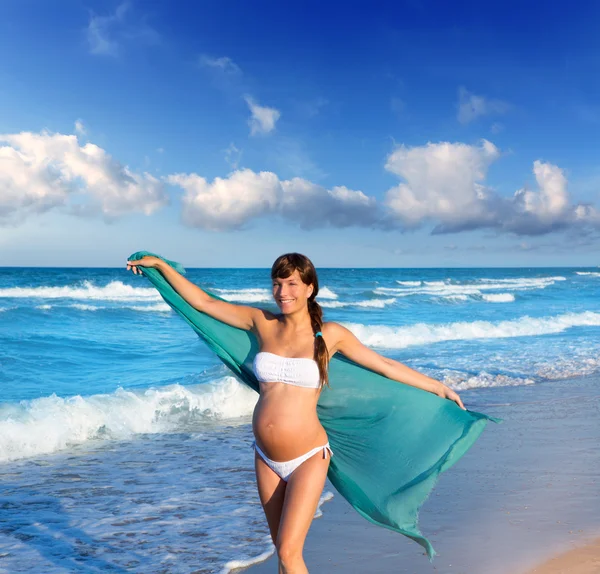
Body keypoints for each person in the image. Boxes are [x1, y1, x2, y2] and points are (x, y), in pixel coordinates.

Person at [126, 252, 465, 574]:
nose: (282, 292)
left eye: (290, 284)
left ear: (309, 288)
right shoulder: (261, 322)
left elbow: (385, 366)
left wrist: (437, 386)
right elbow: (204, 303)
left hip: (308, 456)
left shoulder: (330, 335)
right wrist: (160, 268)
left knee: (289, 553)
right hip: (265, 457)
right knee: (282, 552)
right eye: (277, 283)